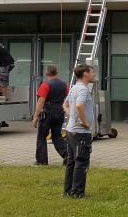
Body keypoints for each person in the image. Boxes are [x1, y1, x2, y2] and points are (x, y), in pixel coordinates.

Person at [63, 64, 95, 198]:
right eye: (92, 72)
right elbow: (79, 105)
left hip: (71, 131)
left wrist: (72, 116)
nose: (94, 74)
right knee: (81, 162)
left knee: (71, 161)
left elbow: (65, 105)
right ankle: (77, 193)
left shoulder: (74, 88)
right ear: (85, 74)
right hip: (80, 133)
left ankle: (68, 191)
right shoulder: (83, 90)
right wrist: (84, 122)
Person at [33, 65, 68, 165]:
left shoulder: (45, 85)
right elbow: (68, 98)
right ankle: (67, 155)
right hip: (60, 112)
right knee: (57, 136)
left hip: (47, 113)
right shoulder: (64, 85)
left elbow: (41, 101)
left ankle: (42, 161)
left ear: (47, 74)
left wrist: (35, 116)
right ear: (57, 73)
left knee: (42, 136)